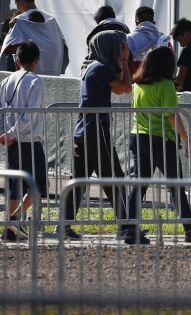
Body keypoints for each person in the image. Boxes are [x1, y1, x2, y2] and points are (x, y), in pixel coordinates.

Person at [125, 46, 191, 245]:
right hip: (160, 139)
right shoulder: (165, 85)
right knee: (176, 185)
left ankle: (130, 229)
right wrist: (187, 139)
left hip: (138, 137)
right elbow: (171, 115)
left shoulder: (138, 83)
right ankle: (189, 228)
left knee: (139, 185)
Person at [59, 31, 132, 241]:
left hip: (84, 131)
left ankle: (63, 225)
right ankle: (126, 226)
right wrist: (125, 60)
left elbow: (118, 85)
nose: (121, 50)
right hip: (95, 130)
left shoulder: (94, 67)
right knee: (115, 177)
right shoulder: (99, 69)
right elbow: (125, 87)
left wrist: (121, 61)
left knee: (80, 181)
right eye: (119, 46)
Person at [0, 41, 48, 242]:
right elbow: (30, 114)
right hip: (29, 139)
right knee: (39, 187)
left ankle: (10, 229)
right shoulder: (36, 81)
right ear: (37, 60)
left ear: (17, 61)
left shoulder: (5, 81)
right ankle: (13, 220)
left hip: (12, 141)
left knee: (15, 186)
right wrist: (12, 133)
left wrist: (1, 131)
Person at [0, 0, 68, 75]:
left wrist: (10, 31)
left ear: (20, 1)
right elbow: (62, 45)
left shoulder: (19, 20)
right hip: (53, 75)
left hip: (29, 76)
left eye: (17, 4)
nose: (18, 9)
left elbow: (7, 49)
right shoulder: (51, 20)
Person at [126, 6, 163, 73]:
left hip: (134, 82)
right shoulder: (164, 39)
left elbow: (123, 64)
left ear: (136, 22)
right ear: (154, 23)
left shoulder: (128, 39)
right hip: (160, 82)